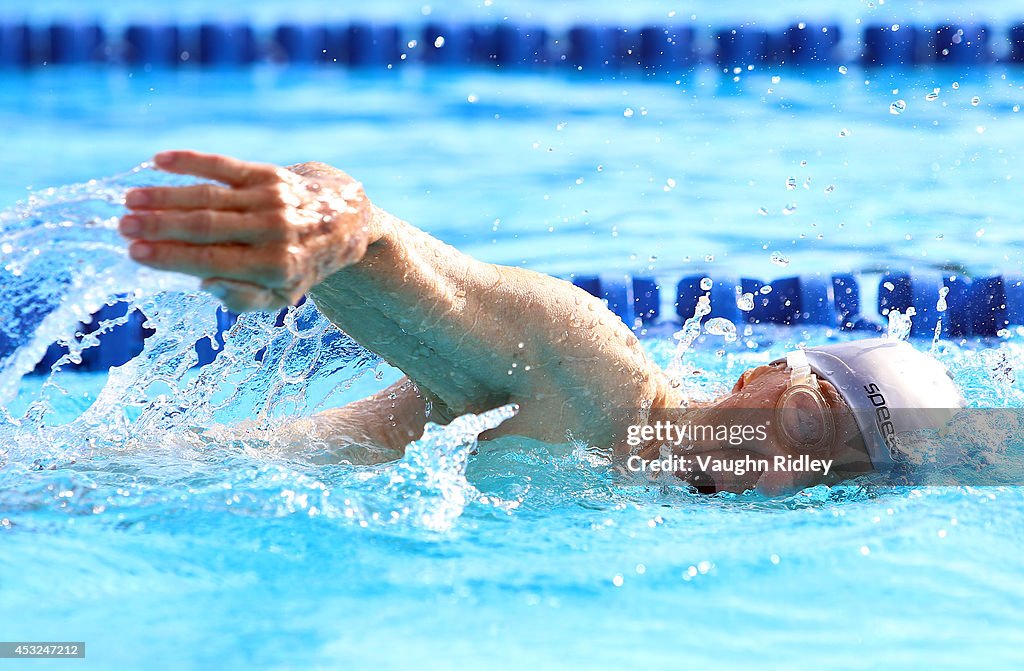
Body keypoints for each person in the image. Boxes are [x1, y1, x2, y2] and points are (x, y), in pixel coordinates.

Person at [118, 150, 964, 494]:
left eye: (832, 479)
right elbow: (390, 251)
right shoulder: (593, 376)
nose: (790, 471)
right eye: (810, 420)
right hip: (118, 492)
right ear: (765, 373)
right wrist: (320, 222)